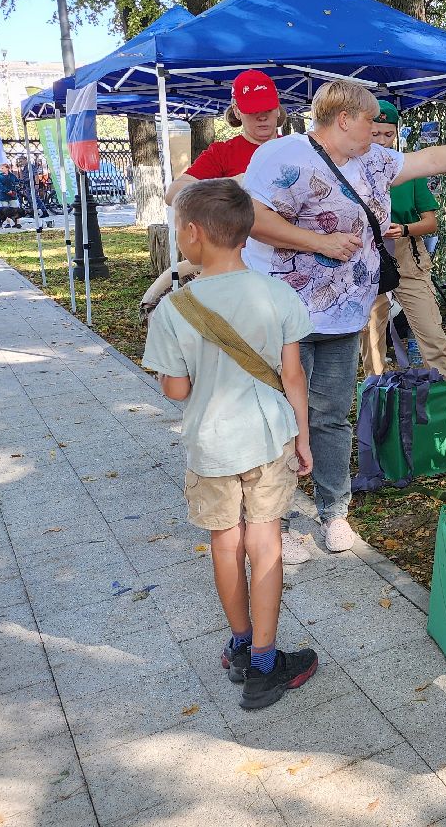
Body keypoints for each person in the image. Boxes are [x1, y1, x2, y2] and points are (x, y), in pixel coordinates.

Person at [243, 80, 446, 559]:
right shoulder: (283, 156)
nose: (378, 129)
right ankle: (280, 519)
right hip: (284, 312)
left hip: (342, 314)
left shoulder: (372, 158)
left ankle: (334, 513)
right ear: (344, 118)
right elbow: (251, 219)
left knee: (330, 415)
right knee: (283, 418)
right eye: (371, 119)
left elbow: (432, 159)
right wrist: (319, 243)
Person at [141, 179, 319, 710]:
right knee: (266, 542)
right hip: (268, 437)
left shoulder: (174, 309)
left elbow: (176, 390)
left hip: (210, 444)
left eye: (177, 229)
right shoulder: (278, 294)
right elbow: (293, 377)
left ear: (193, 235)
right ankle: (266, 662)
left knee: (224, 542)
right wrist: (302, 436)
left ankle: (239, 643)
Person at [362, 101, 446, 380]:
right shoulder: (350, 169)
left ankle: (444, 407)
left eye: (388, 134)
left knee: (431, 333)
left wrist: (403, 229)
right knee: (371, 337)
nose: (381, 141)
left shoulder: (408, 170)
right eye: (374, 133)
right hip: (366, 257)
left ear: (396, 134)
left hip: (407, 256)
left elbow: (431, 223)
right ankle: (376, 398)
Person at [166, 70, 286, 206]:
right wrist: (232, 184)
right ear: (237, 111)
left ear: (277, 108)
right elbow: (173, 194)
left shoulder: (296, 148)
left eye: (268, 108)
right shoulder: (222, 153)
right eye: (253, 110)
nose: (262, 116)